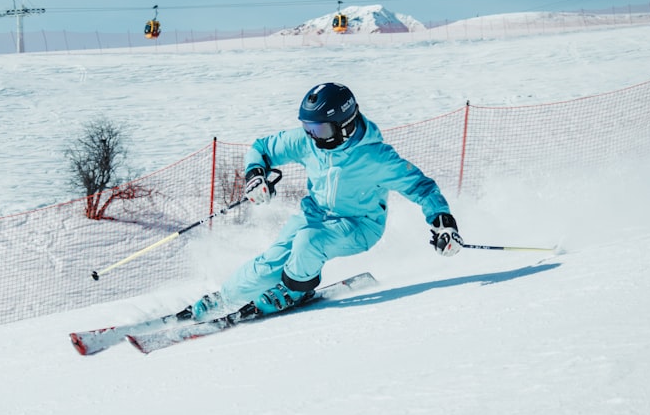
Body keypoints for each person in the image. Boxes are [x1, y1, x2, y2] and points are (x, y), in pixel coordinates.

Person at [192, 82, 462, 319]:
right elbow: (261, 148)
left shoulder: (376, 157)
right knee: (268, 264)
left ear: (344, 125)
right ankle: (226, 297)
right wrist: (255, 174)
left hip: (359, 225)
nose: (311, 135)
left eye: (319, 129)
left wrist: (443, 221)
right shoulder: (309, 141)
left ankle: (295, 291)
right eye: (307, 127)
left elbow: (422, 187)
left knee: (308, 243)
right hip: (314, 215)